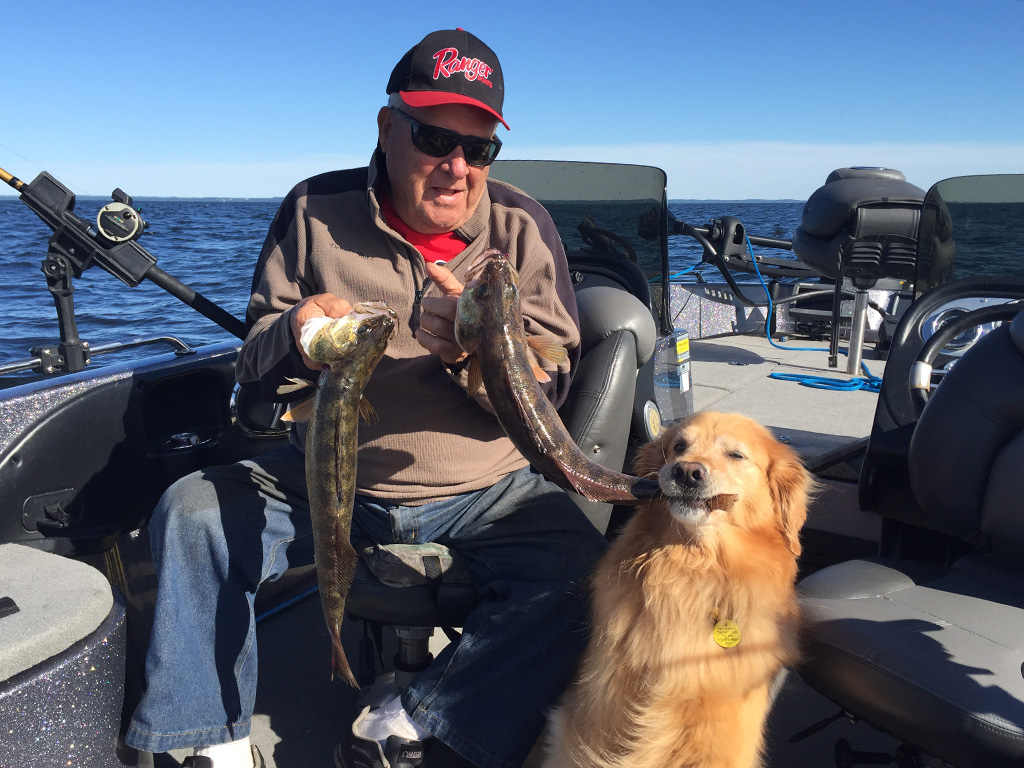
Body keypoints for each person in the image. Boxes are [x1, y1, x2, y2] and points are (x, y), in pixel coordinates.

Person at [123, 28, 608, 768]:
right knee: (192, 515)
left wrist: (477, 356)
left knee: (589, 580)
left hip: (485, 486)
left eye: (478, 150)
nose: (456, 168)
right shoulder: (314, 209)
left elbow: (554, 387)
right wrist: (293, 333)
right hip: (321, 473)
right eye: (435, 137)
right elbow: (255, 363)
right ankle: (208, 741)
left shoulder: (522, 228)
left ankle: (419, 712)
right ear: (387, 129)